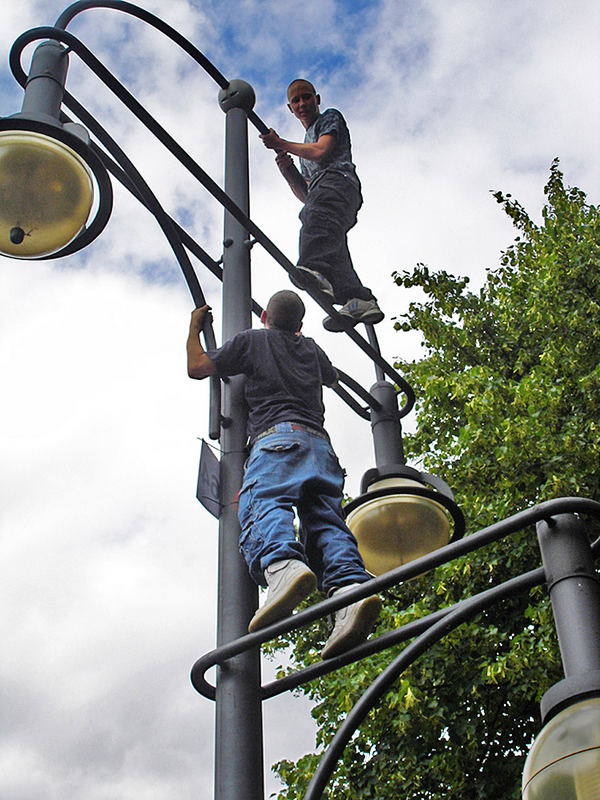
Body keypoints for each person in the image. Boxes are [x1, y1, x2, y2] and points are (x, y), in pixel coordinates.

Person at [186, 290, 381, 658]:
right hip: (321, 448)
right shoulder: (311, 349)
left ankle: (281, 566)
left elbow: (197, 367)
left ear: (265, 319)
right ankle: (350, 593)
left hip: (277, 439)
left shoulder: (251, 341)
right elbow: (331, 380)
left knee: (261, 501)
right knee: (325, 523)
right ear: (300, 326)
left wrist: (194, 329)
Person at [260, 79, 384, 332]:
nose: (302, 103)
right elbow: (308, 194)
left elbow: (322, 151)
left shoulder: (329, 118)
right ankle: (358, 298)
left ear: (317, 99)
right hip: (330, 192)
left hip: (339, 182)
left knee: (314, 219)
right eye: (296, 101)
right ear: (290, 107)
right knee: (332, 243)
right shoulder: (305, 144)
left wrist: (281, 143)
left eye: (306, 97)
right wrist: (288, 171)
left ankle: (315, 270)